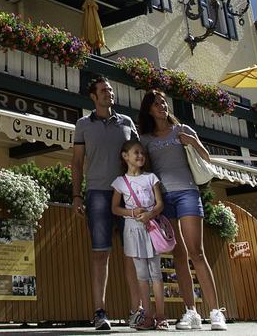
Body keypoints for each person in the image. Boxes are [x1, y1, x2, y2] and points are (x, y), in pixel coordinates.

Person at [139, 89, 227, 331]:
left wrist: (194, 142)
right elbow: (144, 169)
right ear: (149, 109)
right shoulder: (146, 138)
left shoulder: (183, 130)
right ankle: (191, 312)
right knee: (178, 255)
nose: (162, 107)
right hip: (163, 198)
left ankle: (215, 312)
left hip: (188, 192)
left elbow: (206, 159)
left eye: (164, 103)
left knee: (196, 252)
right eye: (157, 104)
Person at [72, 76, 143, 331]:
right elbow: (77, 163)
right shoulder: (82, 124)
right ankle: (100, 312)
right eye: (103, 90)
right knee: (100, 253)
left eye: (111, 90)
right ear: (93, 96)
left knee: (132, 253)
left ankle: (137, 311)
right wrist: (77, 196)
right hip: (97, 193)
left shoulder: (127, 123)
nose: (109, 94)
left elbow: (139, 157)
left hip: (128, 195)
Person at [111, 139, 168, 331]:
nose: (140, 156)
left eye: (142, 152)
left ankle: (161, 317)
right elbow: (115, 208)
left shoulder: (151, 177)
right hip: (133, 231)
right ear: (125, 156)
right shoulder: (120, 182)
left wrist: (150, 214)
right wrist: (133, 213)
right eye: (136, 152)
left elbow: (160, 203)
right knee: (141, 275)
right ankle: (148, 317)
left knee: (156, 274)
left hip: (151, 230)